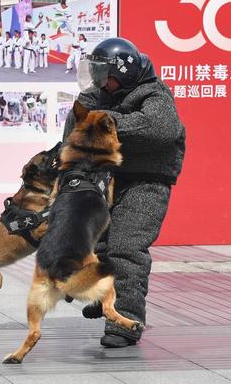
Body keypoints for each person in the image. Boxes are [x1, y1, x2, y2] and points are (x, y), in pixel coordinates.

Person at [63, 37, 185, 348]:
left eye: (106, 76)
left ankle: (124, 321)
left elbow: (160, 128)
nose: (101, 83)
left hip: (147, 180)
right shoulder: (97, 95)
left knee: (126, 248)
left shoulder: (154, 93)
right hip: (108, 177)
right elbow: (75, 128)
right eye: (98, 75)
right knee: (100, 242)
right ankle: (105, 296)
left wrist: (105, 122)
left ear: (125, 72)